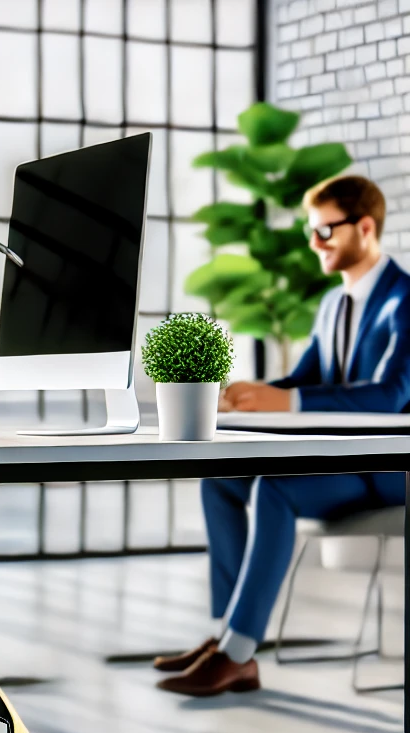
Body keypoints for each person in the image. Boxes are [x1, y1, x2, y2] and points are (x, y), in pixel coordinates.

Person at [156, 175, 410, 696]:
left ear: (365, 228)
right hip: (342, 460)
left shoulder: (404, 301)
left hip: (388, 468)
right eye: (310, 231)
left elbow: (389, 397)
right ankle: (228, 637)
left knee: (274, 487)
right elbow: (304, 380)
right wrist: (256, 394)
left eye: (325, 232)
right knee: (221, 480)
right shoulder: (333, 305)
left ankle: (238, 653)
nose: (313, 243)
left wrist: (288, 401)